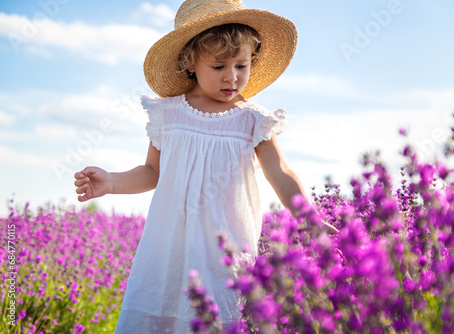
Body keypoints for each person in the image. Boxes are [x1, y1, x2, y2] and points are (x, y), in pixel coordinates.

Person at [74, 0, 311, 332]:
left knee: (219, 318)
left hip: (225, 250)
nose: (232, 78)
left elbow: (280, 172)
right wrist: (111, 182)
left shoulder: (253, 120)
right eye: (219, 67)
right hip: (167, 246)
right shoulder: (168, 115)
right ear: (190, 63)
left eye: (242, 66)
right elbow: (152, 172)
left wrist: (308, 217)